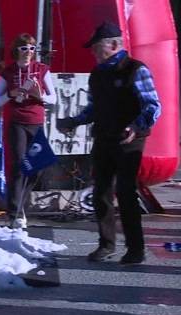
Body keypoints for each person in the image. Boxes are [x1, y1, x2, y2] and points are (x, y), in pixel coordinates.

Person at [57, 21, 161, 264]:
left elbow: (153, 106)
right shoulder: (98, 74)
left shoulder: (135, 69)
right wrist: (74, 121)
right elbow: (94, 107)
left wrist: (135, 126)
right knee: (100, 192)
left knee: (126, 192)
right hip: (103, 137)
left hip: (129, 140)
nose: (93, 53)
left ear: (114, 45)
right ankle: (106, 245)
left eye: (96, 48)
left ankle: (136, 249)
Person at [0, 33, 57, 229]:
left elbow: (54, 98)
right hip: (16, 122)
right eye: (24, 49)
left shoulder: (41, 70)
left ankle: (21, 204)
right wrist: (12, 93)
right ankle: (14, 212)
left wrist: (41, 96)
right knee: (19, 164)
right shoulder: (9, 72)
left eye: (31, 49)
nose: (28, 52)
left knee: (36, 166)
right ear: (16, 51)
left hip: (36, 121)